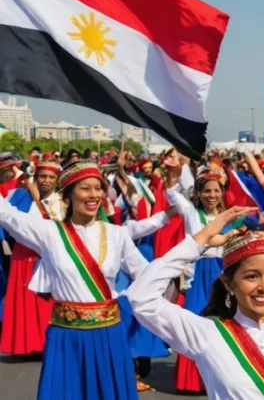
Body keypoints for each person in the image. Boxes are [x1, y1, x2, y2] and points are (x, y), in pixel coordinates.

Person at [126, 207, 264, 399]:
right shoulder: (207, 333)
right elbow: (141, 297)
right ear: (229, 284)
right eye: (251, 276)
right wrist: (201, 240)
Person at [0, 160, 151, 399]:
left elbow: (147, 277)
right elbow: (6, 214)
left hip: (109, 335)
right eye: (85, 188)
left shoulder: (116, 234)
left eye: (98, 188)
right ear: (68, 195)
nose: (94, 195)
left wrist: (197, 243)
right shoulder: (49, 232)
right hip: (66, 337)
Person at [165, 162, 232, 393]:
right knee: (195, 321)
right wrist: (175, 171)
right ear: (198, 193)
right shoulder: (191, 212)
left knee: (221, 323)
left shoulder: (227, 216)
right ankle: (191, 381)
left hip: (221, 274)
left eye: (216, 190)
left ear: (222, 192)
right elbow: (172, 193)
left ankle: (220, 378)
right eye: (207, 191)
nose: (212, 195)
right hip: (197, 273)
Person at [0, 158, 60, 356]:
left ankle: (48, 342)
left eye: (51, 177)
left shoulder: (61, 201)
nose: (46, 181)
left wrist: (38, 199)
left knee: (45, 302)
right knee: (25, 299)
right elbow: (6, 216)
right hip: (22, 254)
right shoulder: (18, 195)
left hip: (48, 256)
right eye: (43, 176)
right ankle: (29, 343)